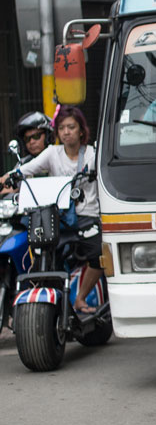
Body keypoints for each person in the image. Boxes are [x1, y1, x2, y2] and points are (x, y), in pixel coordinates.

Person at [12, 106, 102, 315]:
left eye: (71, 127)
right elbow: (24, 171)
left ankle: (80, 298)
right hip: (58, 218)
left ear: (81, 130)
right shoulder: (52, 153)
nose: (66, 132)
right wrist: (8, 178)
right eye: (62, 128)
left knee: (98, 254)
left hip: (86, 216)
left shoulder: (92, 155)